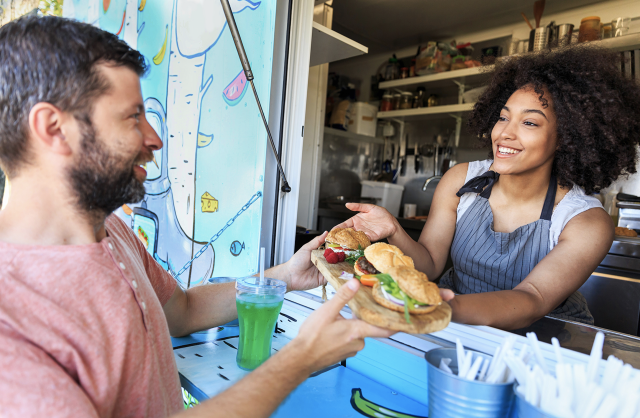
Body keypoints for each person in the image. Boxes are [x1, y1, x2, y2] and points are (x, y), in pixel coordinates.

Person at [0, 16, 394, 417]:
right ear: (53, 128)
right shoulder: (10, 320)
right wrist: (298, 360)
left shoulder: (109, 230)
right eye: (133, 116)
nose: (154, 138)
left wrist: (286, 277)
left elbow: (184, 310)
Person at [337, 46, 640, 330]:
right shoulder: (460, 180)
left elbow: (532, 298)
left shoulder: (584, 220)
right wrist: (394, 229)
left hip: (543, 338)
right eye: (503, 117)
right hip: (451, 322)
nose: (505, 133)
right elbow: (428, 265)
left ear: (566, 138)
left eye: (530, 123)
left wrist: (432, 308)